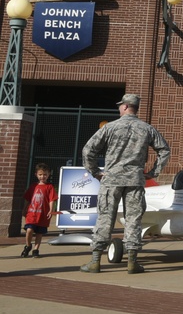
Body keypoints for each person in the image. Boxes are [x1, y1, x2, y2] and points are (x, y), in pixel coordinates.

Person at [80, 94, 170, 274]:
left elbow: (88, 150)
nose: (119, 107)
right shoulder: (147, 129)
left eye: (120, 105)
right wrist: (153, 173)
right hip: (135, 180)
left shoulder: (110, 128)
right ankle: (132, 262)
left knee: (105, 218)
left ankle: (96, 261)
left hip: (111, 180)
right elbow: (164, 150)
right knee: (134, 220)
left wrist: (95, 172)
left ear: (126, 107)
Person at [21, 162, 58, 258]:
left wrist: (51, 210)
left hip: (43, 214)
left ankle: (36, 249)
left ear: (49, 174)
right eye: (40, 174)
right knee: (29, 230)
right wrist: (24, 209)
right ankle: (28, 245)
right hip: (31, 213)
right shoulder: (33, 186)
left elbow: (52, 199)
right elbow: (28, 199)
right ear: (36, 175)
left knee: (39, 233)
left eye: (45, 174)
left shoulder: (49, 187)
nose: (42, 176)